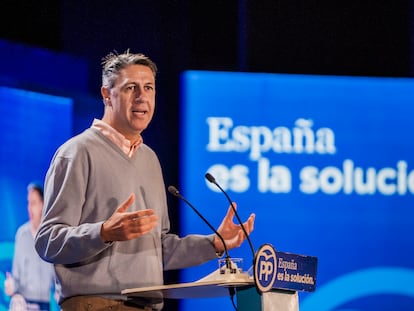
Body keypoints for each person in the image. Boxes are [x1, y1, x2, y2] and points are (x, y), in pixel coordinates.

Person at [34, 50, 256, 311]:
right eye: (131, 88)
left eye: (148, 88)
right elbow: (47, 240)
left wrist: (214, 243)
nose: (142, 97)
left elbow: (157, 248)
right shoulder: (77, 152)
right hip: (97, 303)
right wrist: (103, 232)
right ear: (107, 94)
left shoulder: (149, 159)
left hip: (146, 306)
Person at [5, 182, 57, 311]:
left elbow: (56, 274)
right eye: (28, 203)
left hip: (46, 304)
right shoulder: (21, 235)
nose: (29, 208)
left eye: (33, 203)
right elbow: (16, 274)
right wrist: (11, 286)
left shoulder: (50, 235)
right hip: (24, 303)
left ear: (42, 205)